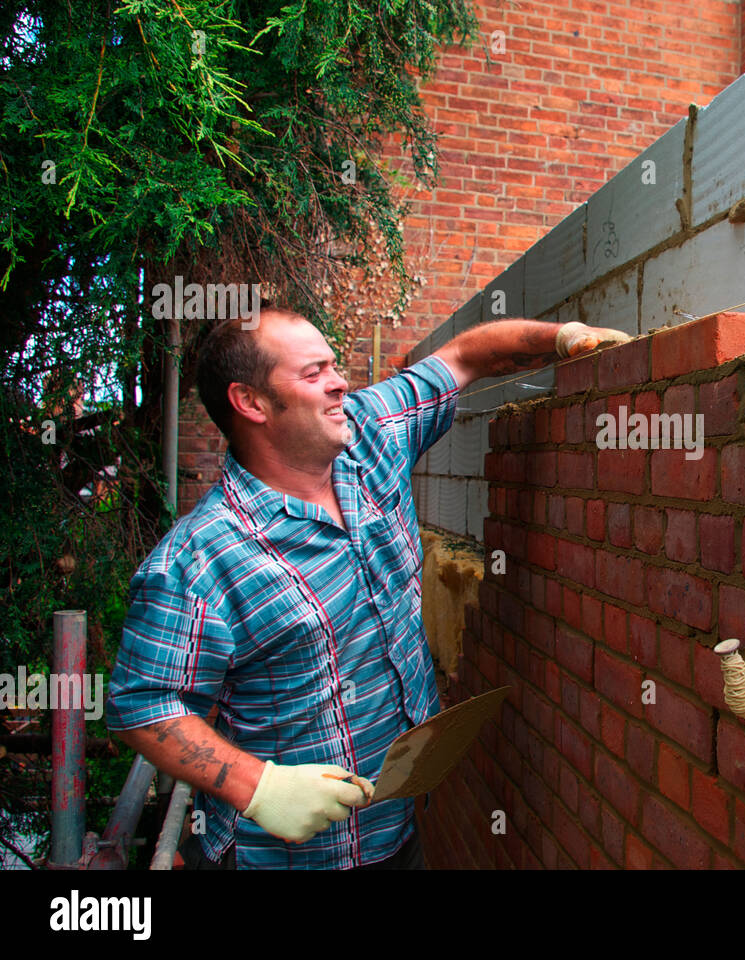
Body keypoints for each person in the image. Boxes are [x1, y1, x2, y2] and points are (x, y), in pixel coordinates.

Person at [105, 306, 628, 869]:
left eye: (333, 365)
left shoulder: (369, 439)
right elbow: (142, 702)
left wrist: (567, 339)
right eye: (313, 374)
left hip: (395, 830)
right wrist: (257, 787)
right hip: (286, 858)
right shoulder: (200, 558)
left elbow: (465, 356)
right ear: (250, 402)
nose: (340, 382)